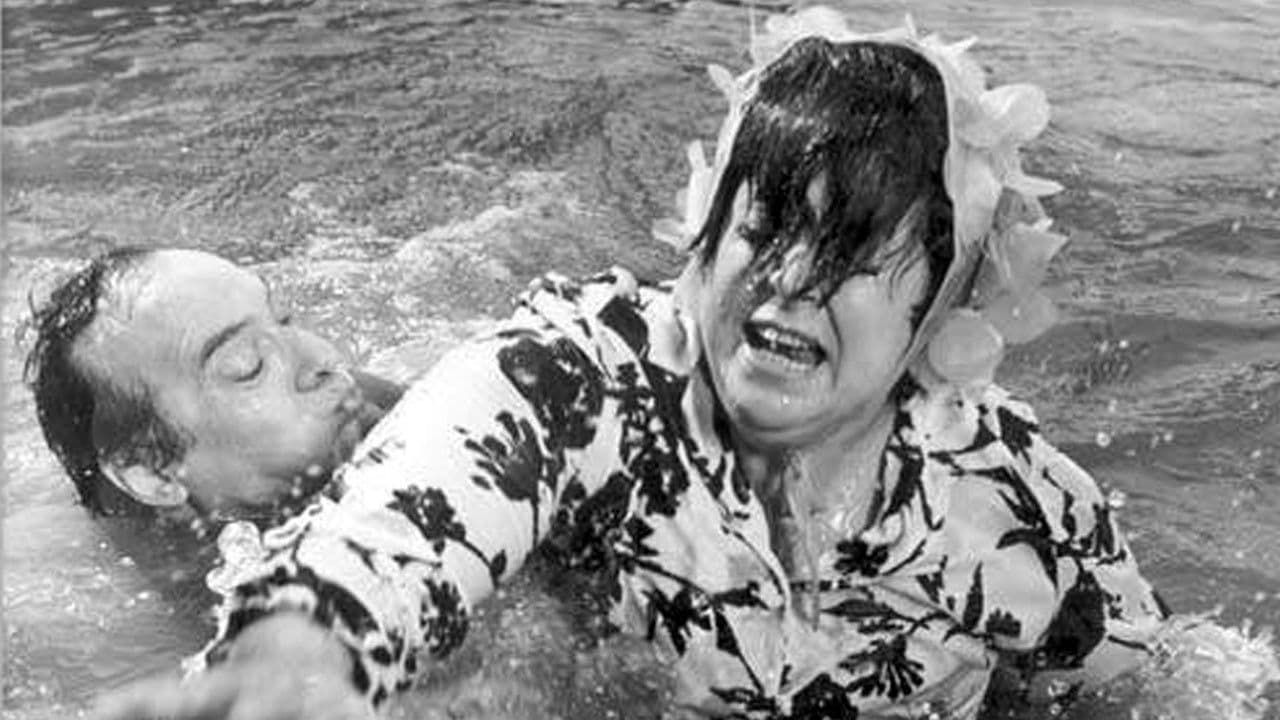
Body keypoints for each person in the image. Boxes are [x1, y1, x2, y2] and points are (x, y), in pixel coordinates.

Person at [89, 10, 1168, 720]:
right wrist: (295, 653)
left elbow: (1160, 687)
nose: (788, 282)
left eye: (848, 257)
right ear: (704, 238)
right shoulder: (583, 380)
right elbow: (407, 518)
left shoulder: (1017, 506)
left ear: (935, 310)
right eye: (764, 228)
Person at [24, 246, 400, 523]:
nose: (322, 357)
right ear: (154, 472)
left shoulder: (354, 402)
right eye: (248, 366)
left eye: (283, 319)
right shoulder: (143, 596)